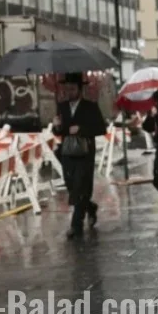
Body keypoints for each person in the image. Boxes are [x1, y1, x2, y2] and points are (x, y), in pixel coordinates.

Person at [52, 73, 107, 239]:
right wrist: (56, 127)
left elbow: (100, 128)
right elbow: (59, 132)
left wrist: (81, 130)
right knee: (72, 187)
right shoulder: (61, 107)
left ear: (79, 89)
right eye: (66, 89)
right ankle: (90, 207)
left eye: (72, 88)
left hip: (85, 153)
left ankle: (76, 226)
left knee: (81, 186)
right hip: (67, 153)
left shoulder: (90, 106)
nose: (69, 92)